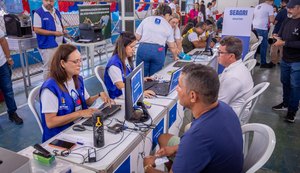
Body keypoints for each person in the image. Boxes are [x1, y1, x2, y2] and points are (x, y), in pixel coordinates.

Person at [143, 63, 244, 173]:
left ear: (192, 96)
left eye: (180, 86)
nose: (176, 89)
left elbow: (197, 142)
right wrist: (175, 149)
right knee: (164, 138)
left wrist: (147, 167)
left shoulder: (196, 136)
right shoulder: (225, 109)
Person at [40, 44, 114, 142]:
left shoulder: (77, 79)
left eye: (80, 60)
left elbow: (87, 101)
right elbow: (50, 122)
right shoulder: (50, 88)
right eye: (75, 61)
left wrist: (99, 95)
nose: (80, 64)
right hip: (60, 138)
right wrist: (80, 113)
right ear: (62, 63)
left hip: (79, 128)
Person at [104, 32, 156, 99]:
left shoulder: (125, 59)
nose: (134, 49)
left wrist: (141, 79)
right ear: (123, 47)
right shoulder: (114, 65)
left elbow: (129, 77)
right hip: (119, 96)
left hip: (127, 92)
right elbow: (120, 85)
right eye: (131, 47)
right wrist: (140, 93)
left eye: (134, 46)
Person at [272, 0, 300, 123]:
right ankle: (285, 103)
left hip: (297, 61)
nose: (288, 10)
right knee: (285, 82)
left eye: (291, 8)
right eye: (288, 8)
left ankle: (292, 111)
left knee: (295, 86)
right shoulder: (287, 20)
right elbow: (281, 35)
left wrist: (284, 43)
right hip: (285, 58)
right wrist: (277, 37)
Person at [135, 4, 177, 76]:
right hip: (158, 51)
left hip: (143, 49)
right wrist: (175, 57)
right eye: (169, 16)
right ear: (167, 14)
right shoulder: (168, 26)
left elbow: (137, 37)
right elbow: (172, 46)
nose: (169, 18)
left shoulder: (146, 20)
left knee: (141, 76)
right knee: (155, 77)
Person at [218, 36, 254, 116]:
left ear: (231, 56)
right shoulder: (237, 67)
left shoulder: (233, 77)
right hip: (233, 110)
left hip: (230, 116)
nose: (218, 55)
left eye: (220, 52)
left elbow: (219, 104)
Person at [33, 0, 66, 80]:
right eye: (46, 0)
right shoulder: (38, 13)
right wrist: (54, 33)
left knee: (58, 65)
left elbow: (60, 25)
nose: (48, 3)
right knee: (48, 68)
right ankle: (47, 88)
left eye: (51, 1)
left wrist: (63, 30)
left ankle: (57, 84)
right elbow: (36, 29)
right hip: (47, 45)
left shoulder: (56, 12)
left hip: (59, 43)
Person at [0, 29, 23, 125]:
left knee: (8, 90)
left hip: (1, 63)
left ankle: (12, 112)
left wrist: (8, 57)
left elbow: (2, 40)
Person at [252, 0, 275, 68]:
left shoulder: (257, 6)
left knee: (255, 45)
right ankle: (263, 63)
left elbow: (253, 17)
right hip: (262, 28)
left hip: (254, 27)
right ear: (272, 1)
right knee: (263, 46)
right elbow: (271, 20)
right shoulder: (269, 7)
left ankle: (254, 61)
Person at [268, 0, 289, 67]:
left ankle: (273, 62)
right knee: (282, 48)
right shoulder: (290, 12)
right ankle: (282, 61)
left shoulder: (282, 12)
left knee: (274, 48)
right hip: (285, 32)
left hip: (277, 32)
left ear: (283, 3)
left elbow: (275, 22)